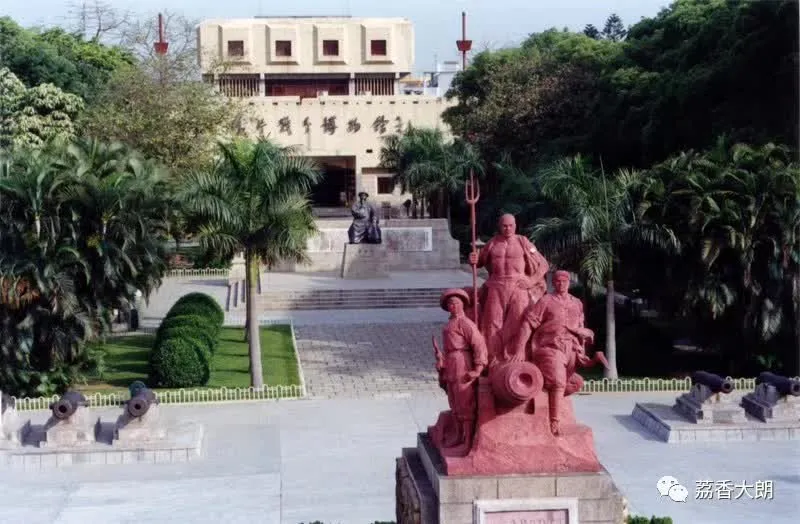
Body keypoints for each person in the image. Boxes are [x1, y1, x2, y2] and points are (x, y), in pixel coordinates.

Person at [507, 270, 608, 436]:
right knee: (559, 382)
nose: (561, 284)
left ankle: (545, 397)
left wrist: (584, 338)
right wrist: (519, 349)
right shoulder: (546, 301)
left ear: (569, 282)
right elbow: (528, 323)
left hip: (572, 348)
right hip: (550, 347)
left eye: (564, 281)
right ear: (553, 283)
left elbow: (581, 325)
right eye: (558, 281)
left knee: (576, 383)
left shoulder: (577, 303)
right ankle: (554, 423)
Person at [468, 214, 549, 364]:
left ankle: (516, 356)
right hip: (496, 286)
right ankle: (492, 359)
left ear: (515, 226)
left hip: (518, 286)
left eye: (511, 225)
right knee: (492, 322)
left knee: (518, 320)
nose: (508, 228)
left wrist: (531, 280)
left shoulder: (523, 242)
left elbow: (543, 265)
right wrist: (473, 259)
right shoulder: (492, 243)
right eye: (504, 226)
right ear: (500, 226)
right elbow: (479, 262)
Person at [432, 288, 488, 455]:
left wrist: (478, 368)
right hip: (451, 362)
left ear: (463, 305)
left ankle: (467, 440)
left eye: (456, 303)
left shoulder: (466, 323)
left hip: (462, 362)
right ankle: (458, 435)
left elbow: (479, 345)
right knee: (454, 401)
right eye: (450, 304)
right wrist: (442, 361)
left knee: (464, 402)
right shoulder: (449, 324)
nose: (453, 306)